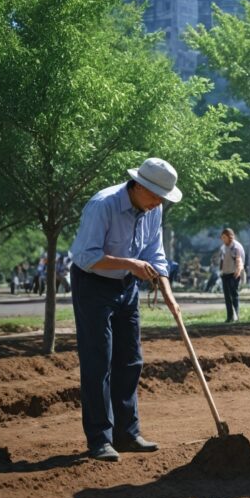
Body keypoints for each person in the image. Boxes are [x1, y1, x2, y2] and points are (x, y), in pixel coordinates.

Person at [69, 158, 183, 462]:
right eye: (156, 194)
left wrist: (168, 294)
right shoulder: (103, 205)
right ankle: (100, 439)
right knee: (98, 360)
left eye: (163, 196)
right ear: (138, 185)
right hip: (93, 283)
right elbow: (86, 256)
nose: (159, 201)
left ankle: (128, 433)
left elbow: (155, 254)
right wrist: (129, 264)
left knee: (131, 359)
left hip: (127, 287)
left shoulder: (153, 209)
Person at [219, 228, 245, 323]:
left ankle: (236, 316)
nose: (223, 239)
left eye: (224, 237)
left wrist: (238, 271)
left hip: (234, 274)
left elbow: (239, 260)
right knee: (227, 296)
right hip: (225, 274)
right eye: (222, 237)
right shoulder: (223, 247)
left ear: (229, 237)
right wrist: (221, 271)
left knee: (234, 295)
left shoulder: (236, 247)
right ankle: (229, 316)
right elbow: (222, 260)